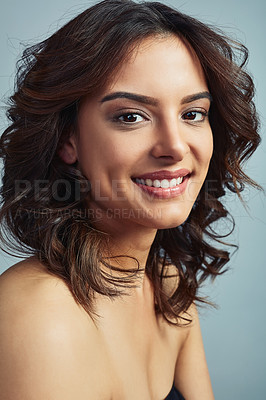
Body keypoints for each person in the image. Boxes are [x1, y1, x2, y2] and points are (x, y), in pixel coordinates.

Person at [0, 0, 261, 399]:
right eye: (131, 116)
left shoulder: (167, 287)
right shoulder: (36, 314)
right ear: (68, 139)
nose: (174, 147)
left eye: (193, 113)